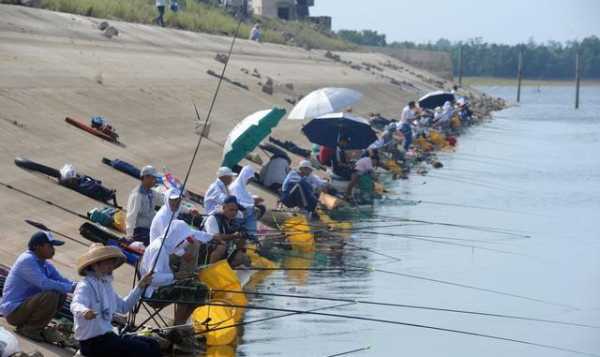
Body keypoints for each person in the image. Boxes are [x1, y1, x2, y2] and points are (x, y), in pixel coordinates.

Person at [70, 244, 159, 357]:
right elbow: (76, 304)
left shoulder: (106, 285)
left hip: (108, 337)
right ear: (95, 265)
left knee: (152, 343)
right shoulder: (85, 285)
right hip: (92, 343)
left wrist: (140, 286)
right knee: (143, 349)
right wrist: (84, 311)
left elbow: (123, 307)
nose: (111, 266)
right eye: (108, 262)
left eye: (112, 262)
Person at [0, 231, 76, 343]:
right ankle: (30, 329)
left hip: (25, 309)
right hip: (14, 312)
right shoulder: (27, 260)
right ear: (37, 246)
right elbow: (44, 283)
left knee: (61, 294)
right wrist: (70, 288)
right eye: (49, 246)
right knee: (52, 294)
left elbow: (62, 281)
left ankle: (34, 326)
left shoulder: (45, 264)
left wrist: (80, 286)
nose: (53, 250)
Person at [203, 196, 251, 267]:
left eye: (236, 210)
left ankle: (223, 272)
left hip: (225, 250)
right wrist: (234, 236)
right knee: (221, 247)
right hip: (205, 249)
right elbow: (216, 237)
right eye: (231, 210)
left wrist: (243, 237)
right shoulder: (213, 218)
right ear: (224, 207)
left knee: (242, 257)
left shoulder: (235, 221)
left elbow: (239, 246)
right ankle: (209, 270)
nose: (234, 213)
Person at [126, 165, 164, 246]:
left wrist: (188, 210)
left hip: (150, 230)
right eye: (153, 178)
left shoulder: (152, 193)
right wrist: (129, 235)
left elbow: (166, 201)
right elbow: (131, 216)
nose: (155, 181)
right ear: (146, 177)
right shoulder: (137, 195)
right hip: (140, 232)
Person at [229, 165, 265, 235]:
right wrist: (253, 201)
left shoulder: (240, 184)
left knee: (259, 207)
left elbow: (245, 196)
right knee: (257, 209)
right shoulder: (237, 186)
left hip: (237, 208)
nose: (249, 181)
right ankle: (248, 231)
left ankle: (249, 230)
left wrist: (252, 199)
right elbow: (240, 201)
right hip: (235, 210)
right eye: (249, 179)